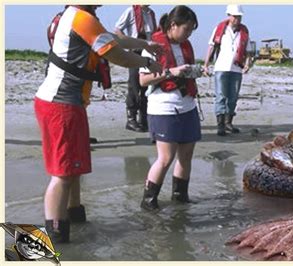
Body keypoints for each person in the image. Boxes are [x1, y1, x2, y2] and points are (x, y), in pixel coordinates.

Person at [35, 5, 162, 243]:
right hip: (60, 103)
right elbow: (116, 54)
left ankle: (75, 216)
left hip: (67, 103)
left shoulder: (78, 17)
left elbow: (114, 39)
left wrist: (144, 44)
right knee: (62, 173)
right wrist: (147, 62)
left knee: (72, 167)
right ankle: (56, 237)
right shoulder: (82, 18)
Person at [138, 5, 200, 210]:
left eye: (192, 31)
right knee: (165, 157)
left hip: (187, 105)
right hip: (163, 106)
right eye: (187, 29)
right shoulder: (154, 45)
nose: (189, 34)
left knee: (187, 153)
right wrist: (171, 72)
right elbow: (143, 80)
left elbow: (184, 70)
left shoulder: (186, 45)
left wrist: (193, 72)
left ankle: (180, 196)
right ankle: (149, 200)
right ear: (173, 25)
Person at [203, 4, 252, 136]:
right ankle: (220, 125)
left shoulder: (244, 32)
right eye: (235, 16)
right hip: (221, 68)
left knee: (233, 97)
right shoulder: (220, 29)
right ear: (229, 16)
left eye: (239, 17)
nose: (237, 19)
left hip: (236, 69)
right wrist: (206, 64)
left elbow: (248, 51)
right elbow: (211, 47)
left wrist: (247, 64)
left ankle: (228, 122)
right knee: (221, 96)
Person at [115, 5, 158, 132]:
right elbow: (117, 29)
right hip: (135, 52)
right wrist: (129, 42)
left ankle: (144, 118)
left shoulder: (151, 13)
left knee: (147, 84)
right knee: (134, 85)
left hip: (148, 52)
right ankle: (131, 119)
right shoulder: (130, 10)